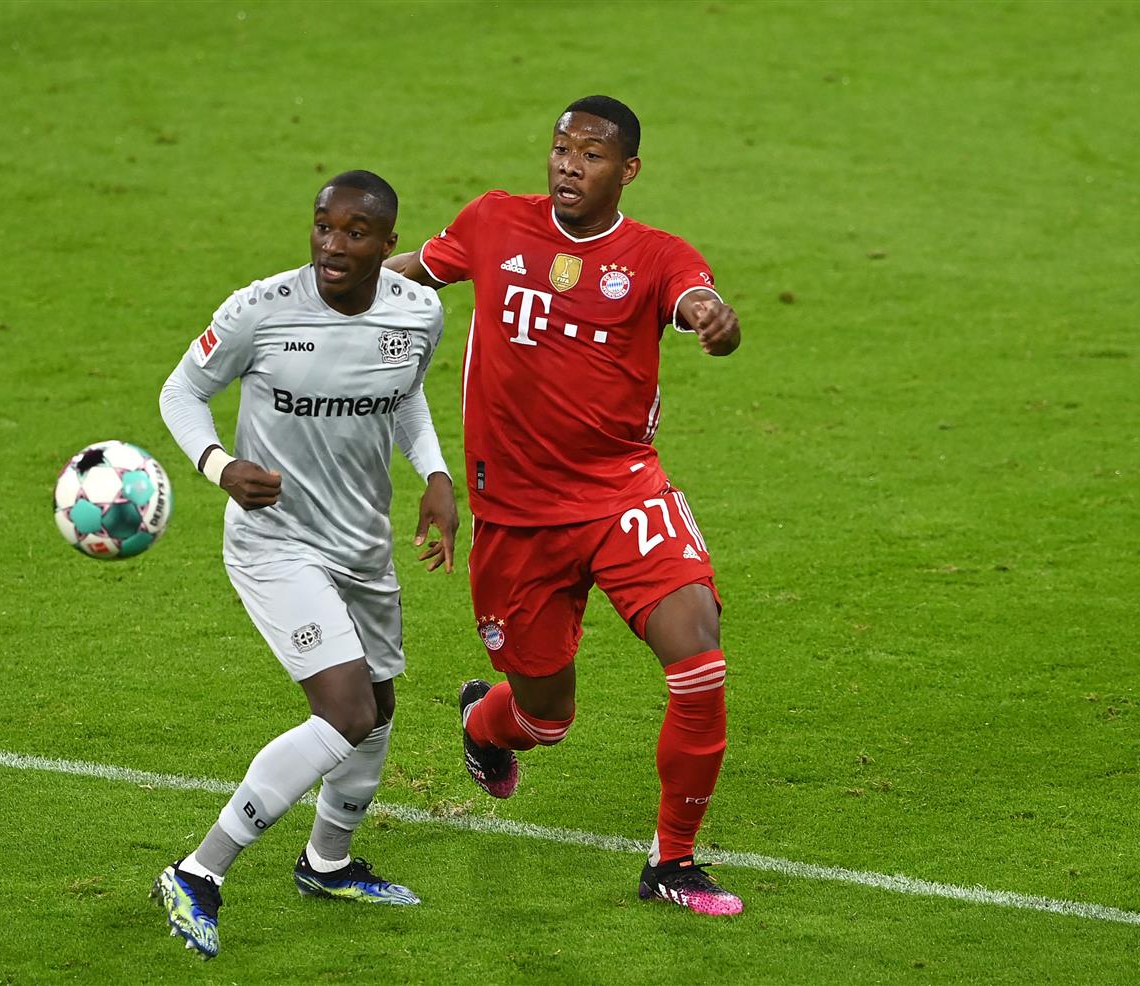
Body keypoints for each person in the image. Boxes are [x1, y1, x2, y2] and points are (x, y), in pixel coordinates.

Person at [384, 96, 745, 916]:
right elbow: (415, 271)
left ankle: (673, 864)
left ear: (628, 171)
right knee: (546, 719)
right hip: (515, 518)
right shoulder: (493, 222)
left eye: (590, 154)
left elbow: (696, 298)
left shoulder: (656, 257)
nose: (569, 165)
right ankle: (486, 724)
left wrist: (712, 320)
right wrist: (314, 292)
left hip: (624, 492)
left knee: (700, 660)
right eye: (560, 149)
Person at [154, 170, 458, 958]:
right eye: (323, 227)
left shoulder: (418, 311)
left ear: (389, 245)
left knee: (379, 708)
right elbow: (181, 393)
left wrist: (435, 475)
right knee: (347, 711)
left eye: (356, 233)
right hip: (274, 542)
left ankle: (327, 862)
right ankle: (199, 872)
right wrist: (219, 465)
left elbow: (405, 397)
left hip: (361, 543)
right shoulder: (260, 310)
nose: (333, 245)